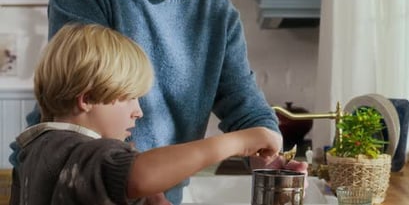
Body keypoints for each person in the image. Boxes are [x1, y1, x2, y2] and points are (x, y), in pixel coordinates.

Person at [10, 0, 308, 203]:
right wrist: (235, 143)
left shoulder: (219, 15)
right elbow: (85, 72)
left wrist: (269, 159)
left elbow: (246, 106)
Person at [9, 23, 282, 205]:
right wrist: (238, 142)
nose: (137, 111)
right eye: (128, 97)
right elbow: (139, 175)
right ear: (87, 99)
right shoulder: (82, 150)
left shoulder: (37, 149)